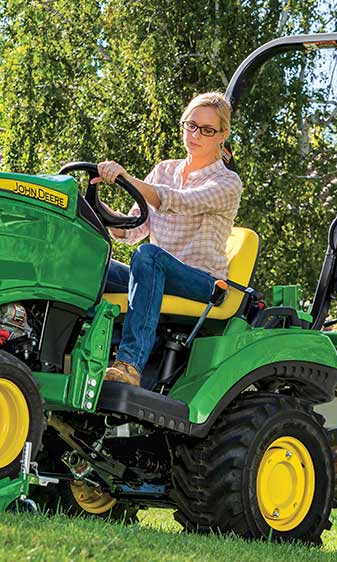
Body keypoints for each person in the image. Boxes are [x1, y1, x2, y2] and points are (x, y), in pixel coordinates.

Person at [92, 92, 243, 388]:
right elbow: (129, 229)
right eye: (191, 125)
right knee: (94, 262)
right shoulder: (164, 170)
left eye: (207, 130)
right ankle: (67, 350)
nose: (195, 134)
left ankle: (130, 364)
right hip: (155, 275)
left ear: (222, 135)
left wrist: (126, 178)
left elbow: (176, 201)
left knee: (148, 255)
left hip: (203, 283)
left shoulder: (227, 183)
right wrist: (90, 202)